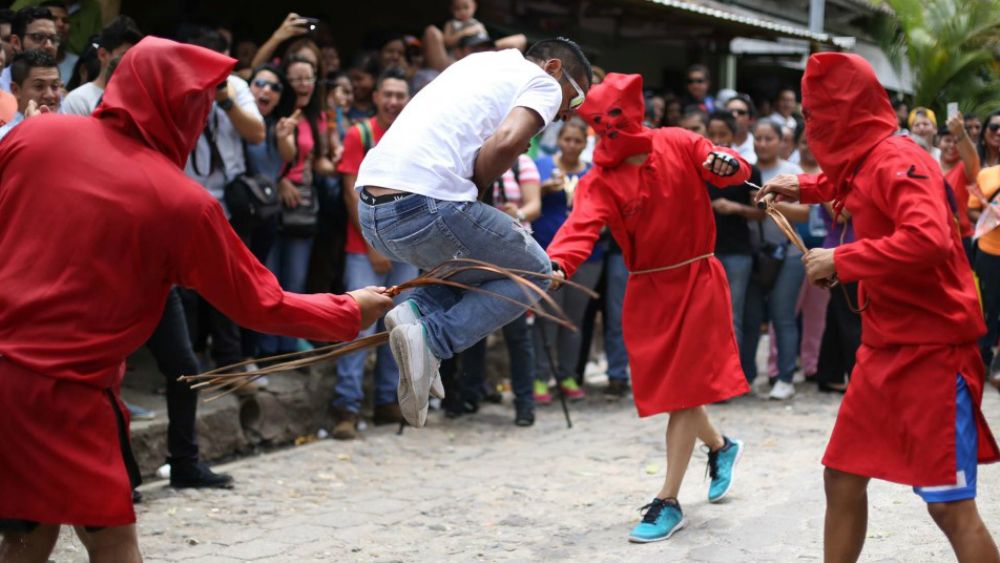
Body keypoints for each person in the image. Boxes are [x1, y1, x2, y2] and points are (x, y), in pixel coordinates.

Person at [0, 36, 392, 563]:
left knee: (29, 530)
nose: (208, 112)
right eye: (202, 101)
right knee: (110, 539)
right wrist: (350, 310)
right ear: (178, 105)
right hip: (63, 393)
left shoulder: (37, 135)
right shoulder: (181, 202)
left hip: (18, 378)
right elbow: (262, 303)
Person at [757, 51, 1000, 563]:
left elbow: (929, 239)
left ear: (846, 110)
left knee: (949, 507)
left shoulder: (901, 157)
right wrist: (802, 184)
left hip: (933, 349)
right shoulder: (871, 157)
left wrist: (843, 259)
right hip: (884, 344)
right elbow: (853, 182)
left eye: (819, 112)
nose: (811, 122)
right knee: (842, 475)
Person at [545, 73, 748, 543]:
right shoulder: (599, 179)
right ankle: (721, 447)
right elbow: (580, 228)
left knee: (682, 391)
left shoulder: (679, 141)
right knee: (673, 389)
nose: (610, 127)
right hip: (647, 290)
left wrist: (726, 164)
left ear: (636, 111)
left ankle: (668, 500)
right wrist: (556, 263)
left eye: (617, 116)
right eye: (601, 121)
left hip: (697, 278)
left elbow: (734, 167)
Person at [354, 37, 592, 428]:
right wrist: (476, 192)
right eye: (576, 99)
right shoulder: (543, 82)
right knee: (536, 271)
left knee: (483, 267)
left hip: (374, 213)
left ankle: (417, 312)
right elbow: (508, 140)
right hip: (425, 204)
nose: (568, 113)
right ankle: (434, 339)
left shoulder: (480, 64)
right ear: (552, 68)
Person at [332, 68, 417, 439]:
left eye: (401, 95)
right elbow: (350, 192)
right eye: (389, 94)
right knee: (357, 326)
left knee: (399, 328)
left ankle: (386, 401)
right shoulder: (360, 134)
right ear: (377, 97)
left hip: (406, 249)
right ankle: (346, 409)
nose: (394, 101)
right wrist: (372, 245)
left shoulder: (415, 135)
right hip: (362, 250)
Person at [181, 27, 267, 371]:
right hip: (185, 199)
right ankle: (188, 362)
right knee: (185, 289)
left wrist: (224, 99)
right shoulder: (180, 87)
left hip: (230, 204)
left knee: (228, 282)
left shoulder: (237, 87)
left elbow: (256, 133)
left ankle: (229, 361)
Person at [446, 154, 543, 426]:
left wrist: (518, 214)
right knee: (474, 324)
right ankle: (469, 394)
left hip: (516, 254)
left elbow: (535, 205)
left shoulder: (521, 163)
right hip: (478, 252)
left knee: (518, 331)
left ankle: (525, 403)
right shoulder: (473, 159)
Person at [260, 54, 334, 357]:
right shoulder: (274, 112)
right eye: (297, 78)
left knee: (295, 281)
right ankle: (265, 348)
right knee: (269, 278)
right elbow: (269, 155)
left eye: (309, 77)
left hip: (303, 202)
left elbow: (320, 161)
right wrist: (279, 180)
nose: (304, 84)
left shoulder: (318, 116)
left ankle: (286, 349)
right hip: (272, 198)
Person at [742, 119, 807, 400]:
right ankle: (745, 377)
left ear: (781, 141)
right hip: (754, 253)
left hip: (789, 252)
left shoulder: (791, 171)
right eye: (758, 138)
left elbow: (805, 212)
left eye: (769, 138)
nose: (762, 144)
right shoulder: (744, 169)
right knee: (750, 316)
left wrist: (770, 204)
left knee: (783, 315)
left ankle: (785, 377)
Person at [531, 117, 594, 404]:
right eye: (567, 139)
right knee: (547, 315)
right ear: (559, 141)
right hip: (546, 251)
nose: (571, 145)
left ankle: (568, 375)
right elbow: (528, 201)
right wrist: (545, 189)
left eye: (577, 141)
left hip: (587, 256)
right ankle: (541, 377)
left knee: (573, 319)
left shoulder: (593, 173)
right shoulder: (543, 167)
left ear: (584, 144)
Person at [705, 110, 764, 359]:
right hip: (705, 252)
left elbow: (762, 213)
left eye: (723, 134)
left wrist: (735, 208)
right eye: (713, 135)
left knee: (733, 314)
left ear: (734, 135)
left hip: (738, 251)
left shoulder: (749, 170)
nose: (718, 139)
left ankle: (732, 375)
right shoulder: (699, 167)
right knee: (706, 315)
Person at [60, 15, 141, 116]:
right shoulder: (79, 100)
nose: (130, 62)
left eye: (134, 56)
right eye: (124, 55)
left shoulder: (137, 100)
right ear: (102, 54)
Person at [938, 111, 981, 262]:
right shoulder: (929, 165)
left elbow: (973, 160)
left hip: (961, 238)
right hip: (935, 237)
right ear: (938, 142)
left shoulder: (965, 168)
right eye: (947, 140)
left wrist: (961, 132)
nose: (952, 146)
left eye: (956, 142)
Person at [0, 49, 59, 141]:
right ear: (16, 90)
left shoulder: (69, 132)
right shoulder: (5, 138)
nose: (50, 95)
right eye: (39, 86)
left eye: (55, 86)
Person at [0, 6, 57, 93]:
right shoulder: (2, 86)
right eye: (38, 37)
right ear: (16, 42)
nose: (49, 46)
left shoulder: (57, 89)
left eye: (53, 39)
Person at [39, 1, 74, 82]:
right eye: (53, 19)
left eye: (65, 20)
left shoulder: (77, 63)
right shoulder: (23, 64)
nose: (61, 24)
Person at [725, 93, 756, 165]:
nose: (734, 115)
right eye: (730, 112)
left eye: (741, 112)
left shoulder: (760, 144)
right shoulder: (715, 144)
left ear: (751, 119)